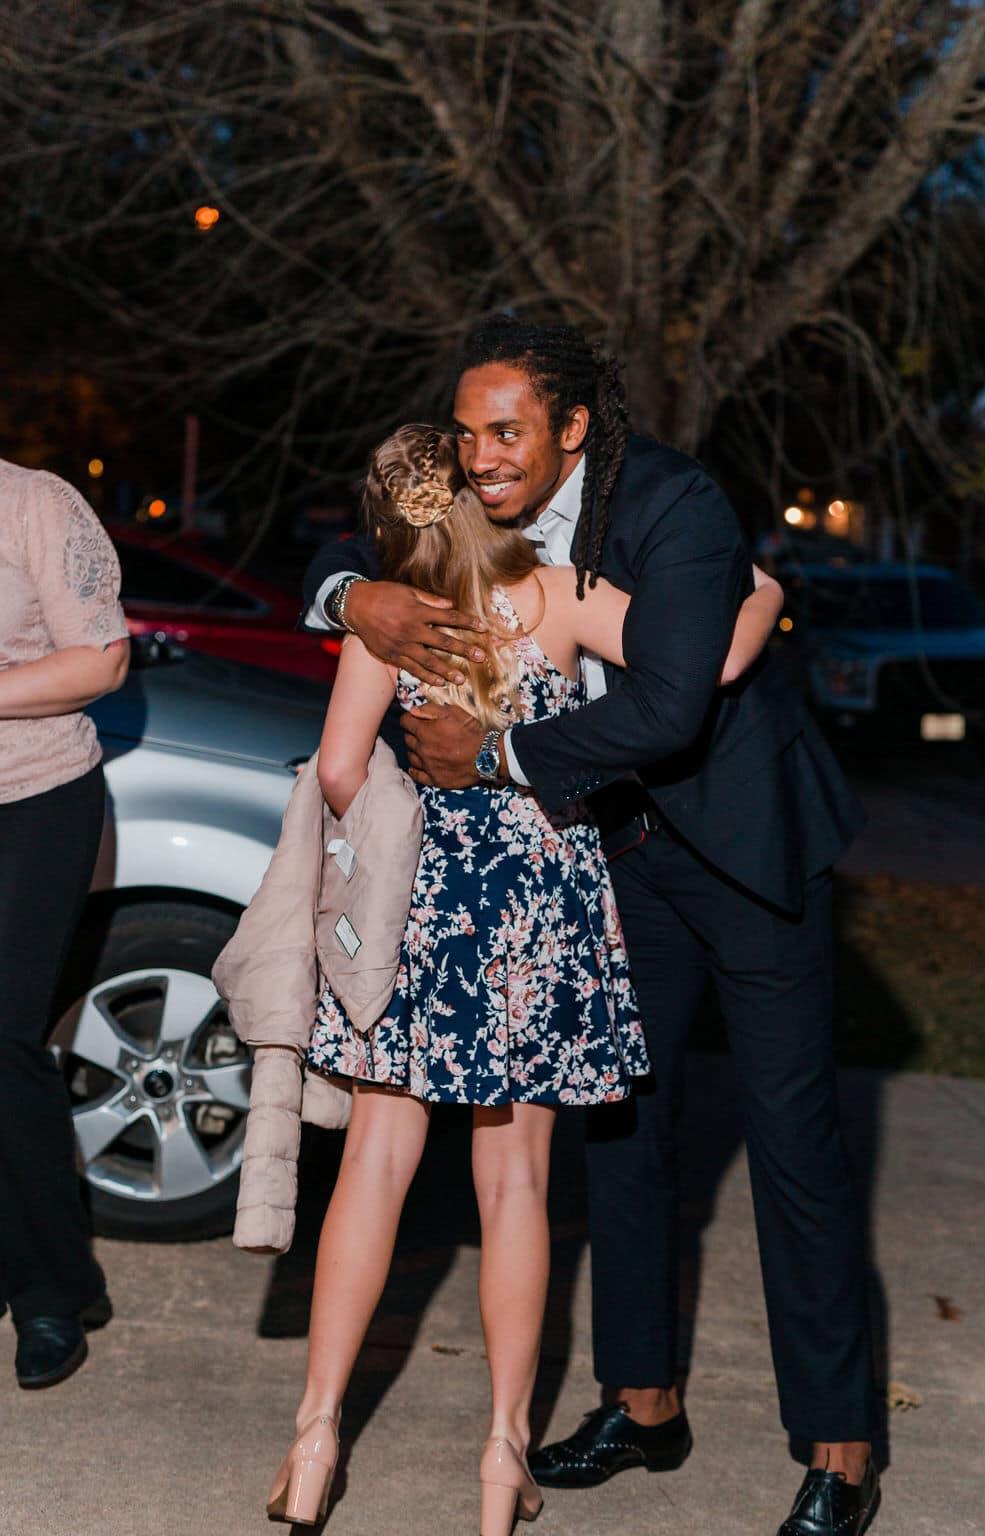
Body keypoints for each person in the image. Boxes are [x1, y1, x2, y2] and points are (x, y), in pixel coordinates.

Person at [302, 318, 880, 1536]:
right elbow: (375, 563)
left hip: (742, 841)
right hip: (613, 849)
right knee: (621, 1129)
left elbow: (671, 705)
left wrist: (497, 751)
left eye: (506, 431)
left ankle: (836, 1447)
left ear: (571, 426)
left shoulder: (670, 503)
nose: (482, 456)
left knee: (792, 1140)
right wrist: (353, 595)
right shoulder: (480, 512)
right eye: (467, 435)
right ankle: (642, 1402)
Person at [0, 459, 129, 1389]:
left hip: (33, 798)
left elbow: (102, 660)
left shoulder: (36, 503)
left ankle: (53, 1287)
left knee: (3, 1039)